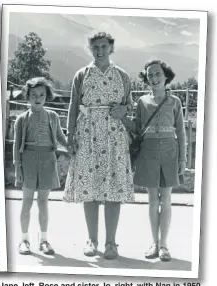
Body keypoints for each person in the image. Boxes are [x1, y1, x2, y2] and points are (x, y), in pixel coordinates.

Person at [63, 32, 135, 260]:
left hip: (115, 136)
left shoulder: (122, 75)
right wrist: (70, 136)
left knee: (113, 191)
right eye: (95, 47)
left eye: (104, 46)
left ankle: (111, 243)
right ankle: (91, 240)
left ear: (111, 48)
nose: (100, 50)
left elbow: (130, 105)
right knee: (89, 190)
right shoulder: (82, 74)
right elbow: (73, 107)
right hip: (87, 134)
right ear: (90, 49)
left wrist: (124, 110)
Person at [123, 59, 186, 262]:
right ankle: (154, 243)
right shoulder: (142, 101)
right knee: (152, 200)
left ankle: (164, 246)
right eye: (150, 75)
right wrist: (122, 117)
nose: (154, 78)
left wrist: (182, 159)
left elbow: (182, 133)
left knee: (166, 199)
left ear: (166, 76)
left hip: (169, 152)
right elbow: (137, 128)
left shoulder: (175, 101)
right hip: (148, 152)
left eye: (158, 74)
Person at [14, 77, 68, 255]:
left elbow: (60, 137)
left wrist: (70, 146)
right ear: (28, 96)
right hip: (28, 160)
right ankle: (24, 239)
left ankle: (44, 240)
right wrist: (17, 170)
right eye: (34, 95)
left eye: (42, 95)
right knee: (27, 202)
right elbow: (16, 147)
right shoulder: (22, 119)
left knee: (43, 202)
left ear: (47, 96)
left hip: (47, 159)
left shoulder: (53, 116)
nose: (38, 98)